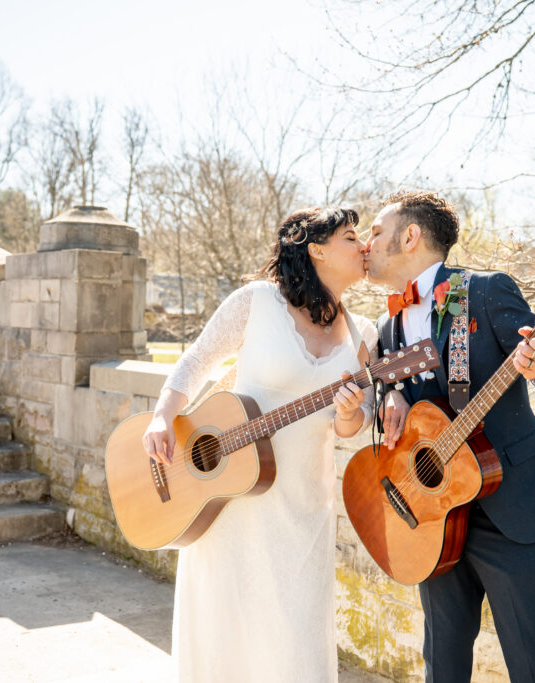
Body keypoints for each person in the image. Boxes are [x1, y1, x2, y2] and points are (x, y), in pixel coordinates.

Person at [142, 207, 375, 682]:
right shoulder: (257, 301)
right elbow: (198, 360)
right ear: (316, 249)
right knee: (223, 636)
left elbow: (353, 424)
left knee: (295, 643)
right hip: (225, 501)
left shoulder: (364, 335)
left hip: (301, 509)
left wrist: (351, 413)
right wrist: (163, 415)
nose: (365, 246)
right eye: (351, 237)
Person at [364, 190, 535, 682]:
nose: (367, 243)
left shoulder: (482, 291)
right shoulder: (388, 323)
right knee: (442, 661)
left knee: (533, 662)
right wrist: (389, 395)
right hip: (434, 516)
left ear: (410, 236)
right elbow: (396, 390)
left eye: (377, 232)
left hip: (506, 505)